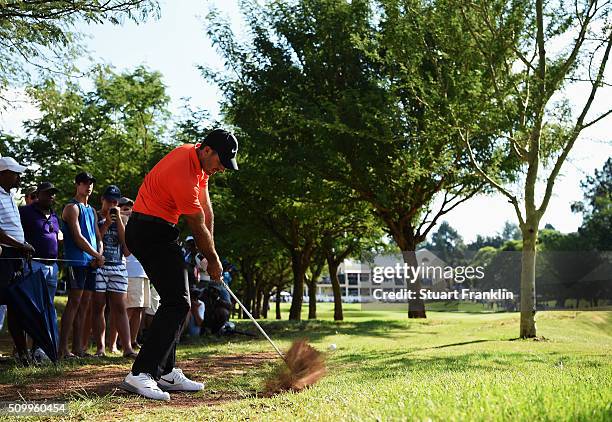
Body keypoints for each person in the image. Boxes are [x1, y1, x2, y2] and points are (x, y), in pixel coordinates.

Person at [120, 129, 238, 401]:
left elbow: (207, 212)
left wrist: (211, 254)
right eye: (221, 161)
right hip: (148, 231)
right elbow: (196, 224)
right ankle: (141, 373)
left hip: (159, 231)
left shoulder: (201, 169)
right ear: (207, 150)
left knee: (177, 300)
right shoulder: (183, 171)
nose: (221, 168)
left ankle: (166, 371)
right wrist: (213, 260)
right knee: (178, 302)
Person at [59, 172, 104, 359]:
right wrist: (96, 255)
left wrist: (99, 254)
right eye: (85, 183)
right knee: (74, 303)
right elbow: (77, 237)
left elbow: (98, 236)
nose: (89, 186)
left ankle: (78, 348)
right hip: (76, 260)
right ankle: (63, 349)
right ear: (77, 185)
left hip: (91, 262)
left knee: (85, 304)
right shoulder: (72, 207)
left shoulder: (92, 210)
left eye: (91, 183)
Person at [18, 181, 63, 363]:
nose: (51, 196)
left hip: (53, 267)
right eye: (47, 193)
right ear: (38, 194)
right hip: (34, 265)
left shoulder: (53, 215)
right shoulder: (26, 212)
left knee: (48, 307)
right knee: (34, 309)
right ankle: (24, 350)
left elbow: (57, 237)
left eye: (53, 193)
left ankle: (42, 349)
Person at [91, 186, 135, 358]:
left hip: (117, 266)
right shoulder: (95, 215)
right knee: (98, 307)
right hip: (100, 266)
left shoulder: (122, 219)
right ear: (103, 199)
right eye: (109, 200)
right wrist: (108, 222)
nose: (112, 204)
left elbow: (126, 250)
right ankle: (100, 348)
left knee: (120, 307)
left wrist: (118, 222)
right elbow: (95, 240)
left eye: (115, 201)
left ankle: (128, 348)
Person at [0, 157, 36, 365]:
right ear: (3, 174)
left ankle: (22, 354)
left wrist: (23, 244)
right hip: (5, 256)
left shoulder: (10, 196)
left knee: (17, 305)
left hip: (17, 257)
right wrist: (20, 245)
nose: (18, 177)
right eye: (15, 173)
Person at [116, 197, 150, 351]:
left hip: (143, 272)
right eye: (124, 208)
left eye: (131, 208)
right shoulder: (121, 224)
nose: (129, 211)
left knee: (139, 309)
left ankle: (133, 340)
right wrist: (122, 217)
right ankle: (120, 342)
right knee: (128, 309)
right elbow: (127, 250)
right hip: (130, 272)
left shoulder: (139, 225)